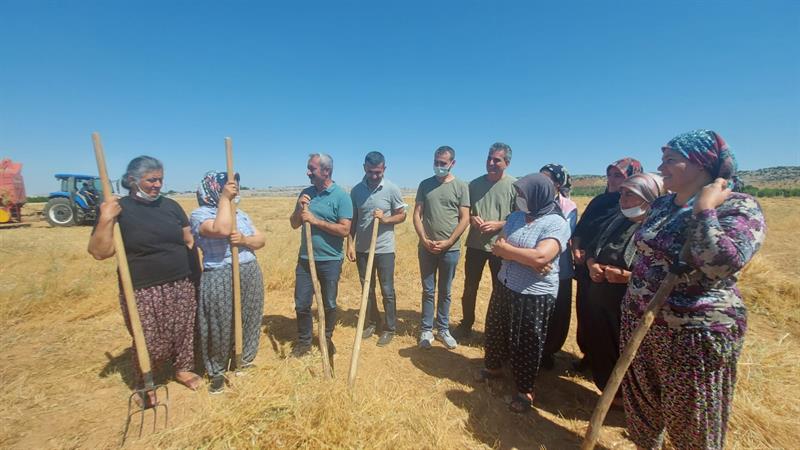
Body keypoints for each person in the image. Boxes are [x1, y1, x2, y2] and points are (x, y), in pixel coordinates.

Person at [620, 130, 765, 449]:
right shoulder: (660, 206)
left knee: (692, 424)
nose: (662, 166)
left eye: (671, 160)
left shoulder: (739, 208)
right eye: (663, 158)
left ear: (701, 164)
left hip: (693, 336)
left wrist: (705, 210)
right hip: (640, 324)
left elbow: (719, 264)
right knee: (642, 413)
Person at [88, 156, 201, 404]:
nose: (158, 184)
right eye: (152, 180)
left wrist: (198, 271)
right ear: (132, 180)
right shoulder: (119, 209)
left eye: (160, 179)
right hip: (142, 287)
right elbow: (100, 252)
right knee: (149, 337)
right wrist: (106, 217)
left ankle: (183, 368)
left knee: (183, 330)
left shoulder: (170, 206)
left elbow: (188, 239)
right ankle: (145, 382)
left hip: (181, 280)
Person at [476, 173, 571, 412]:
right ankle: (493, 368)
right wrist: (528, 258)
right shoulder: (516, 216)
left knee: (526, 340)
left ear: (538, 195)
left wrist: (526, 256)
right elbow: (498, 246)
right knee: (496, 328)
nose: (519, 198)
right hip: (506, 283)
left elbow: (542, 256)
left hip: (534, 293)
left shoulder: (556, 223)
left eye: (522, 194)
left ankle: (525, 390)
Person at [583, 173, 663, 400]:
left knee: (629, 353)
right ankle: (609, 394)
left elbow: (663, 272)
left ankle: (628, 400)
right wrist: (591, 265)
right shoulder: (615, 221)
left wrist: (627, 276)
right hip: (600, 296)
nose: (622, 199)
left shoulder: (658, 230)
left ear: (649, 197)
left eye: (630, 194)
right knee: (602, 346)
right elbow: (592, 247)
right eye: (622, 193)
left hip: (632, 305)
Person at [191, 171, 266, 394]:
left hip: (248, 269)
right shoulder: (199, 214)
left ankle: (243, 359)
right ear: (213, 188)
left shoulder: (240, 214)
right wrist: (224, 199)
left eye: (234, 187)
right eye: (227, 186)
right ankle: (217, 371)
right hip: (219, 274)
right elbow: (221, 229)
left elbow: (261, 239)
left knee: (249, 316)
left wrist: (244, 240)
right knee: (219, 322)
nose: (235, 190)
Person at [571, 157, 642, 371]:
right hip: (588, 268)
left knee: (612, 324)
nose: (612, 179)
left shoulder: (635, 208)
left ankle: (611, 368)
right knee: (586, 312)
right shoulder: (599, 202)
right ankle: (590, 356)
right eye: (610, 174)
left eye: (618, 175)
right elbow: (582, 229)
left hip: (617, 278)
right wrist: (577, 249)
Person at [289, 153, 353, 357]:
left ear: (326, 171)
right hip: (306, 260)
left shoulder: (341, 197)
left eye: (312, 168)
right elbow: (294, 223)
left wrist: (315, 221)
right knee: (302, 303)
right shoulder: (306, 194)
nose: (308, 172)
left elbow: (344, 230)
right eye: (308, 168)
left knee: (329, 303)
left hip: (330, 260)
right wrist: (300, 209)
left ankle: (326, 338)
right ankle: (304, 342)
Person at [453, 143, 516, 340]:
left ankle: (496, 330)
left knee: (500, 291)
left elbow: (520, 218)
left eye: (496, 159)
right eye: (489, 158)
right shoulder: (473, 185)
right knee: (470, 286)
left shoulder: (514, 186)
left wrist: (500, 224)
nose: (491, 163)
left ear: (507, 162)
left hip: (501, 247)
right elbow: (463, 212)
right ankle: (466, 324)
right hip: (475, 245)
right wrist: (472, 218)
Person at [347, 151, 407, 347]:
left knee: (387, 289)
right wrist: (350, 244)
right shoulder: (356, 191)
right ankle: (373, 322)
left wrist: (385, 219)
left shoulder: (391, 188)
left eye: (378, 172)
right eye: (371, 171)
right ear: (364, 167)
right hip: (363, 249)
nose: (374, 176)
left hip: (384, 249)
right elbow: (353, 220)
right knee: (367, 288)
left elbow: (402, 215)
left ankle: (389, 328)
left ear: (384, 169)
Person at [413, 146, 470, 350]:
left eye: (443, 163)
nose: (438, 166)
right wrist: (424, 238)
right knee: (428, 290)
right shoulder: (425, 185)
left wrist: (449, 242)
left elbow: (464, 219)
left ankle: (443, 329)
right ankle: (426, 329)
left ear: (452, 163)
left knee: (445, 291)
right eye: (436, 162)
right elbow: (417, 215)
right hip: (426, 247)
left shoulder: (461, 187)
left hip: (450, 250)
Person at [539, 163, 578, 369]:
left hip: (558, 269)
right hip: (533, 266)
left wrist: (541, 255)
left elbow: (562, 236)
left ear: (558, 183)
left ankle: (548, 351)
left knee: (557, 313)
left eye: (548, 179)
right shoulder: (531, 202)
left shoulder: (568, 207)